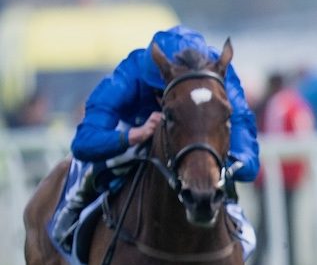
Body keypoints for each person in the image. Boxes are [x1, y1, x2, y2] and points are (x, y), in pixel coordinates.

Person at [49, 27, 260, 251]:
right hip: (134, 129)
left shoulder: (218, 72)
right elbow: (83, 143)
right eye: (160, 93)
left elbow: (248, 156)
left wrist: (222, 162)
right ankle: (74, 205)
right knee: (103, 160)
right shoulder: (130, 74)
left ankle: (230, 211)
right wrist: (131, 136)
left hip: (191, 135)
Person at [251, 71, 317, 265]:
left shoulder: (276, 104)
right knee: (281, 229)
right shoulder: (295, 103)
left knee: (269, 230)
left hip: (272, 177)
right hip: (287, 176)